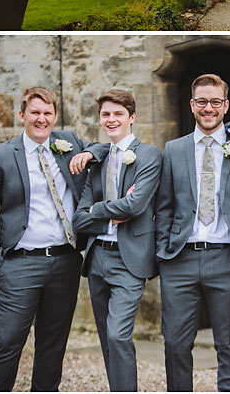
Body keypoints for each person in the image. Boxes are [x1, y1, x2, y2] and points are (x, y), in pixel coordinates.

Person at [0, 86, 102, 391]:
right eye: (35, 113)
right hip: (19, 265)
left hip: (65, 261)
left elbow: (102, 149)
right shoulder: (1, 156)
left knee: (53, 346)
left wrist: (87, 152)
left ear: (55, 116)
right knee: (8, 343)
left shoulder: (67, 142)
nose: (41, 119)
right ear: (22, 115)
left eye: (47, 113)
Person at [155, 73, 230, 392]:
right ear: (191, 105)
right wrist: (164, 251)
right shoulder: (173, 149)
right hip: (179, 261)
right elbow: (164, 206)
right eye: (202, 101)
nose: (208, 108)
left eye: (215, 102)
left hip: (228, 259)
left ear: (226, 106)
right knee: (175, 344)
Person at [71, 89, 161, 392]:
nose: (111, 120)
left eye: (118, 114)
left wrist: (97, 210)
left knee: (117, 335)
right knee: (105, 339)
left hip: (129, 260)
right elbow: (79, 219)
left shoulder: (148, 155)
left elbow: (134, 207)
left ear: (131, 117)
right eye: (106, 114)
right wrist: (109, 212)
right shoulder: (97, 159)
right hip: (97, 259)